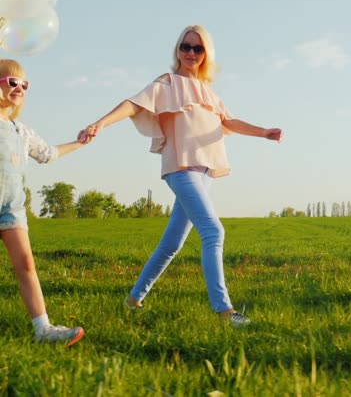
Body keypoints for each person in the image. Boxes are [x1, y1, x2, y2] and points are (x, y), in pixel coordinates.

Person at [78, 25, 283, 327]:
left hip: (204, 172)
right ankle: (224, 312)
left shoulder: (210, 92)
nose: (189, 53)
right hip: (180, 168)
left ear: (205, 54)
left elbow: (230, 121)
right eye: (184, 47)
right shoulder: (167, 83)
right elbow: (133, 104)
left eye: (197, 49)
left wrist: (264, 132)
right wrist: (100, 123)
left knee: (172, 243)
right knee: (214, 232)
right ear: (178, 50)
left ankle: (134, 299)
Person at [0, 59, 86, 347]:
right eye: (13, 82)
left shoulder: (20, 131)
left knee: (26, 264)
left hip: (11, 209)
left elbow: (48, 153)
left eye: (24, 84)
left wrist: (80, 143)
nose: (20, 88)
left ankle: (43, 329)